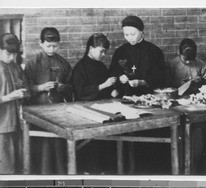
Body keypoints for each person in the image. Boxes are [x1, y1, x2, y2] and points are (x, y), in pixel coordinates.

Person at [24, 27, 72, 174]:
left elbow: (71, 87)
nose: (52, 49)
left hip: (58, 112)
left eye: (55, 46)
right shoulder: (33, 63)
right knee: (43, 145)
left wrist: (63, 87)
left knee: (58, 144)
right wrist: (40, 87)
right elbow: (25, 89)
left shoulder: (63, 64)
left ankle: (60, 174)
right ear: (41, 43)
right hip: (39, 111)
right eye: (48, 46)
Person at [109, 15, 166, 96]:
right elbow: (112, 71)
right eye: (126, 35)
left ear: (141, 32)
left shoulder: (154, 51)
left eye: (132, 34)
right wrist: (120, 77)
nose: (129, 38)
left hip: (148, 96)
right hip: (124, 96)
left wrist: (143, 82)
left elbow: (161, 76)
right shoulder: (120, 51)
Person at [0, 33, 29, 174]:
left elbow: (26, 89)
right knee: (5, 168)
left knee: (19, 165)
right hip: (2, 126)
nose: (11, 58)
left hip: (17, 123)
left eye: (14, 54)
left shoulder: (17, 67)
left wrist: (24, 93)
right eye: (8, 54)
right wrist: (9, 97)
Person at [71, 33, 118, 101]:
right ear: (91, 48)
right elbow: (80, 92)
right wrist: (104, 85)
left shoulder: (101, 66)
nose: (104, 54)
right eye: (101, 51)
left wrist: (111, 92)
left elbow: (107, 88)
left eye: (105, 52)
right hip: (85, 106)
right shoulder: (80, 68)